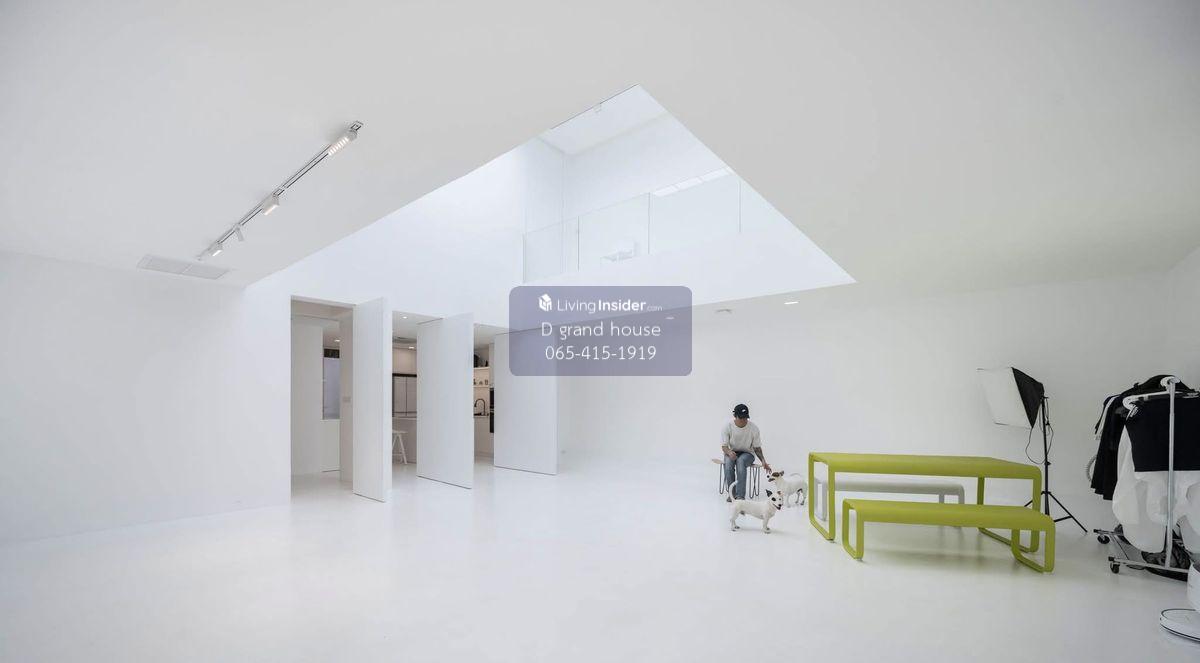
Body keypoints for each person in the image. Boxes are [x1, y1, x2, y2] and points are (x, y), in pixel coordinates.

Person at [721, 403, 771, 502]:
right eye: (741, 418)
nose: (744, 420)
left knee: (741, 461)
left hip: (748, 454)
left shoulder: (753, 428)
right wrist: (729, 452)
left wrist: (763, 461)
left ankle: (740, 496)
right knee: (728, 463)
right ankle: (732, 494)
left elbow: (757, 448)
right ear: (735, 416)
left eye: (746, 417)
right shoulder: (728, 427)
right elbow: (724, 446)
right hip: (732, 451)